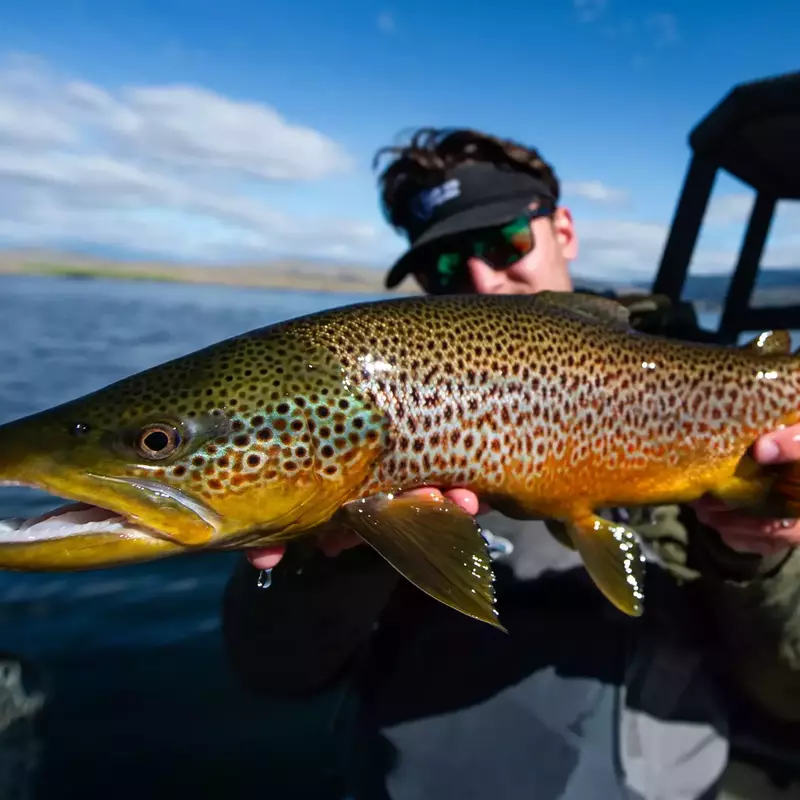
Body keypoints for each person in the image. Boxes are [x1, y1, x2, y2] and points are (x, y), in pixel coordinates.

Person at [222, 128, 800, 799]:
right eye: (443, 268)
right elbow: (274, 672)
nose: (482, 278)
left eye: (506, 243)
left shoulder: (740, 401)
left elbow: (789, 694)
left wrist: (762, 553)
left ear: (564, 230)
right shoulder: (388, 406)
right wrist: (333, 557)